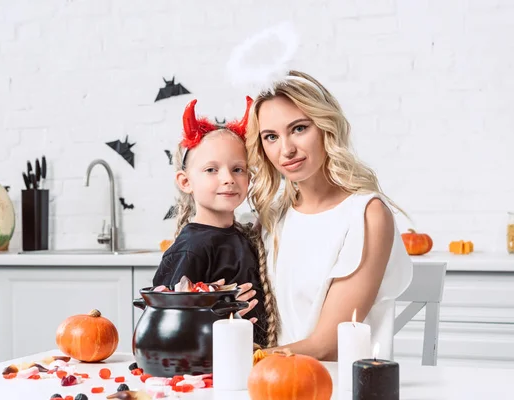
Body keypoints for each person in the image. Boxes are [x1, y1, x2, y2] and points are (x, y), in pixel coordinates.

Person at [245, 70, 413, 361]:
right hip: (274, 381)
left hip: (341, 384)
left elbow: (328, 344)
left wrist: (240, 359)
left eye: (299, 128)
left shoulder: (367, 215)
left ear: (325, 127)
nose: (286, 149)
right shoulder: (273, 219)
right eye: (271, 137)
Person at [152, 97, 273, 348]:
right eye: (211, 170)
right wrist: (212, 306)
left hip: (248, 361)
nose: (228, 178)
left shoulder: (243, 235)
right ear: (185, 182)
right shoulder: (192, 247)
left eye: (238, 169)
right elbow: (164, 322)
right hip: (209, 370)